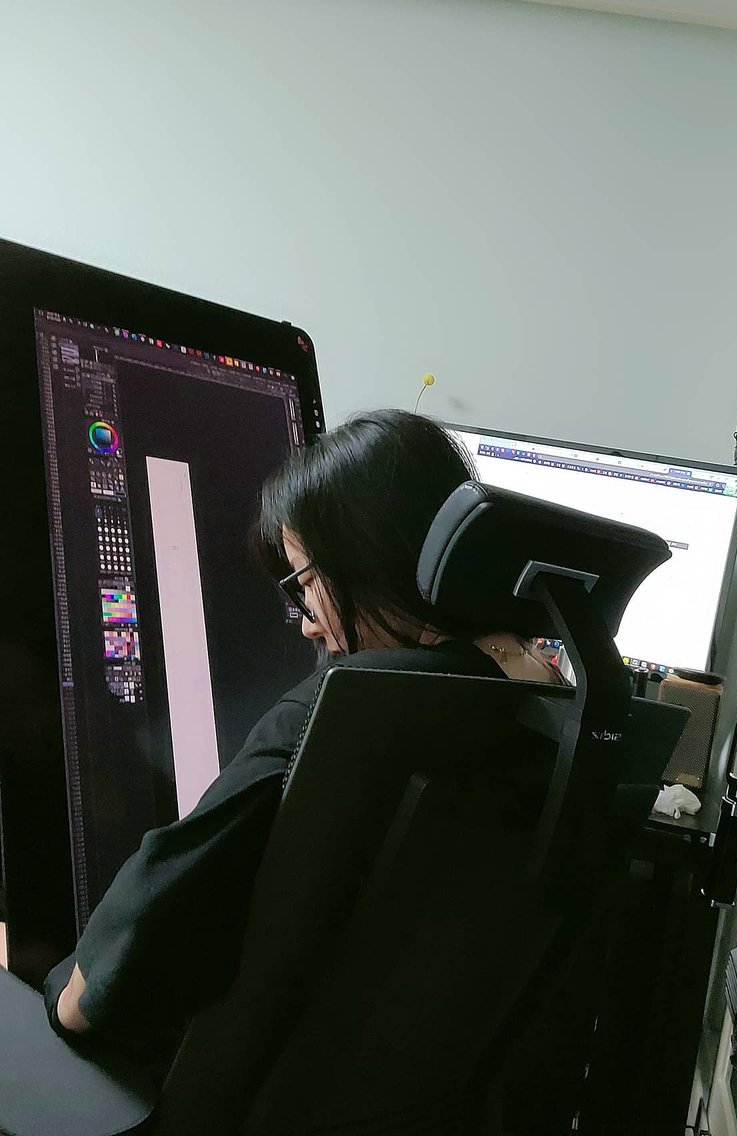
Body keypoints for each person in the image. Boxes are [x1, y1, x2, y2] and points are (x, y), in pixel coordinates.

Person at [43, 409, 565, 1054]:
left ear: (374, 560)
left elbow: (103, 986)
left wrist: (54, 989)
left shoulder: (341, 709)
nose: (308, 623)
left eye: (308, 582)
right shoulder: (554, 701)